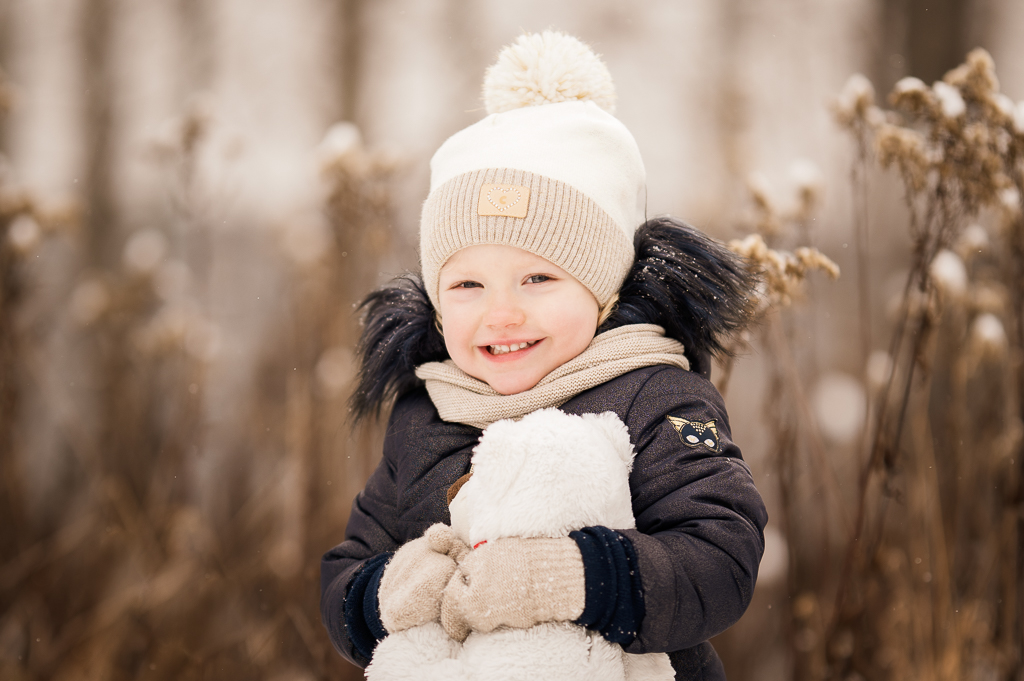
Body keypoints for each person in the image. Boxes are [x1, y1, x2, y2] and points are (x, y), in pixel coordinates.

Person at [320, 30, 767, 680]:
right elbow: (343, 572)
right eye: (468, 285)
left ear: (604, 288)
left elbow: (721, 555)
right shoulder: (427, 412)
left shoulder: (653, 397)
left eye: (538, 279)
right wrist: (383, 592)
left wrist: (577, 576)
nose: (501, 312)